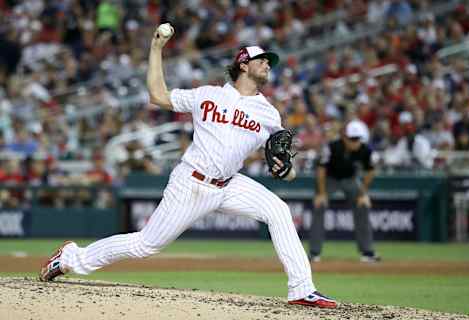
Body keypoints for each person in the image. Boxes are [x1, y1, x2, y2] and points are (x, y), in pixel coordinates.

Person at [39, 23, 337, 309]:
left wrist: (287, 170)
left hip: (230, 183)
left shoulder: (269, 113)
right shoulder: (207, 95)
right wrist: (156, 47)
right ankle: (70, 258)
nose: (269, 65)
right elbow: (158, 96)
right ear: (243, 64)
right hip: (191, 182)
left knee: (279, 211)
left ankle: (302, 290)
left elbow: (284, 161)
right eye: (262, 60)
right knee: (145, 245)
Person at [309, 120, 380, 263]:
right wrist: (321, 194)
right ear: (345, 137)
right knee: (319, 206)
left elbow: (371, 172)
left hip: (350, 180)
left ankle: (367, 251)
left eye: (357, 139)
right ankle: (314, 253)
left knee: (363, 205)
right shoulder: (332, 147)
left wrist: (362, 194)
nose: (355, 142)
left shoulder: (366, 150)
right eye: (352, 139)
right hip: (329, 179)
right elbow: (321, 171)